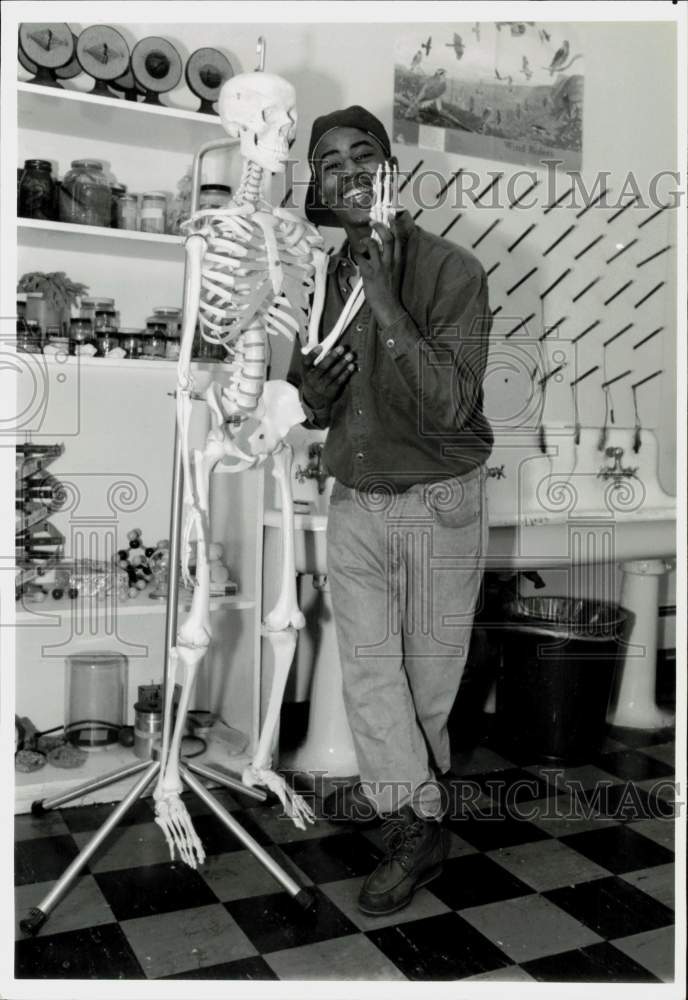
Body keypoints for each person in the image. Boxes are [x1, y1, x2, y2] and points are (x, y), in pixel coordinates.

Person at [288, 106, 493, 916]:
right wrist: (306, 397)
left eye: (361, 154)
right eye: (328, 160)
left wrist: (383, 297)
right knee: (371, 675)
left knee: (424, 686)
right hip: (355, 498)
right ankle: (418, 831)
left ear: (389, 169)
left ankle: (417, 824)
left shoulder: (452, 270)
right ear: (318, 183)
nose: (345, 170)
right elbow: (312, 396)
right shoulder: (317, 279)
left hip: (440, 499)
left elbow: (449, 404)